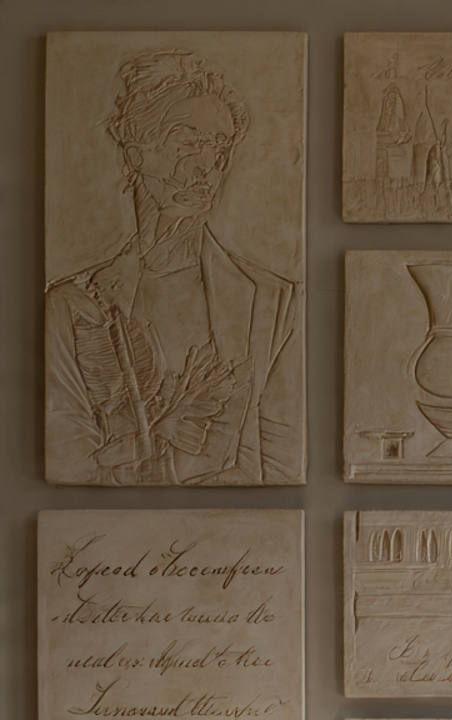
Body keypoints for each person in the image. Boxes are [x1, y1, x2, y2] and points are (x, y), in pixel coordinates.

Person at [45, 48, 300, 486]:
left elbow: (281, 466)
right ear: (135, 150)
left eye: (220, 149)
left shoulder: (273, 299)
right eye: (187, 144)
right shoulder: (73, 304)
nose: (208, 168)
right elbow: (67, 463)